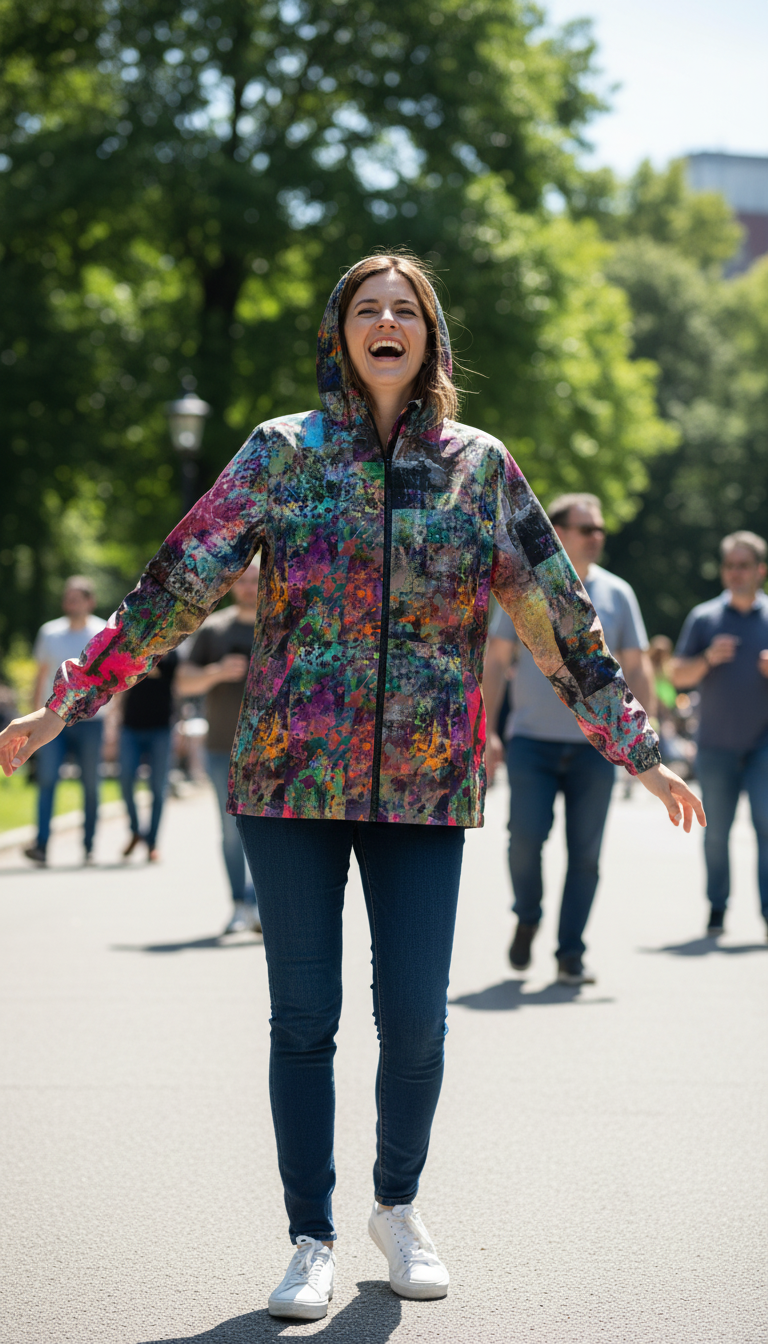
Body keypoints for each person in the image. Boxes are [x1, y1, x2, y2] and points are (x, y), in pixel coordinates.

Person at [0, 254, 703, 1322]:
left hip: (426, 782)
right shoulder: (282, 454)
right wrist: (70, 702)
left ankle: (398, 1205)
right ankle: (310, 1236)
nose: (386, 321)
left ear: (430, 338)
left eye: (404, 309)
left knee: (417, 1020)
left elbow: (560, 619)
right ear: (340, 334)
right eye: (366, 308)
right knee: (303, 1019)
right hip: (289, 776)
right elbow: (176, 581)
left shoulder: (480, 468)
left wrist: (640, 751)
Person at [483, 493, 656, 984]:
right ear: (557, 532)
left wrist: (646, 739)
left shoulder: (619, 594)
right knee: (524, 841)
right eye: (588, 529)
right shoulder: (525, 587)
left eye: (600, 529)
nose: (597, 537)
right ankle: (528, 915)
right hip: (531, 744)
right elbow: (496, 662)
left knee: (585, 856)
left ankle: (570, 952)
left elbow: (637, 666)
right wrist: (489, 732)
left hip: (597, 751)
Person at [670, 530, 768, 938]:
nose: (735, 573)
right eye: (729, 565)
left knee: (767, 829)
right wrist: (707, 659)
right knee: (716, 834)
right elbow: (676, 675)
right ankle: (717, 907)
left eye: (744, 565)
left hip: (763, 746)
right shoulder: (705, 618)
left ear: (761, 570)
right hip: (714, 747)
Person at [176, 562, 261, 934]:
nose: (247, 587)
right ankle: (240, 906)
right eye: (241, 581)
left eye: (255, 581)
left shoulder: (281, 626)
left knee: (270, 832)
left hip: (271, 751)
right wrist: (216, 672)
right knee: (230, 831)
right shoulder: (214, 629)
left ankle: (262, 906)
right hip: (221, 747)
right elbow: (183, 683)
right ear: (231, 585)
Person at [23, 576, 106, 865]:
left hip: (92, 721)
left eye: (77, 597)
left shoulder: (102, 630)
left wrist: (116, 722)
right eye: (67, 598)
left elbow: (111, 679)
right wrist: (31, 720)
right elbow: (40, 677)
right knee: (46, 781)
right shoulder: (50, 633)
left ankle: (89, 846)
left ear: (89, 600)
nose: (71, 603)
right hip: (51, 718)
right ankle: (42, 845)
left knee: (91, 785)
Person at [118, 651, 179, 861]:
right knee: (125, 780)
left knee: (158, 788)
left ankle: (152, 843)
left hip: (161, 728)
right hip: (130, 726)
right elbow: (120, 683)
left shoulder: (172, 651)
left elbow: (176, 682)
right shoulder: (133, 647)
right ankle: (136, 830)